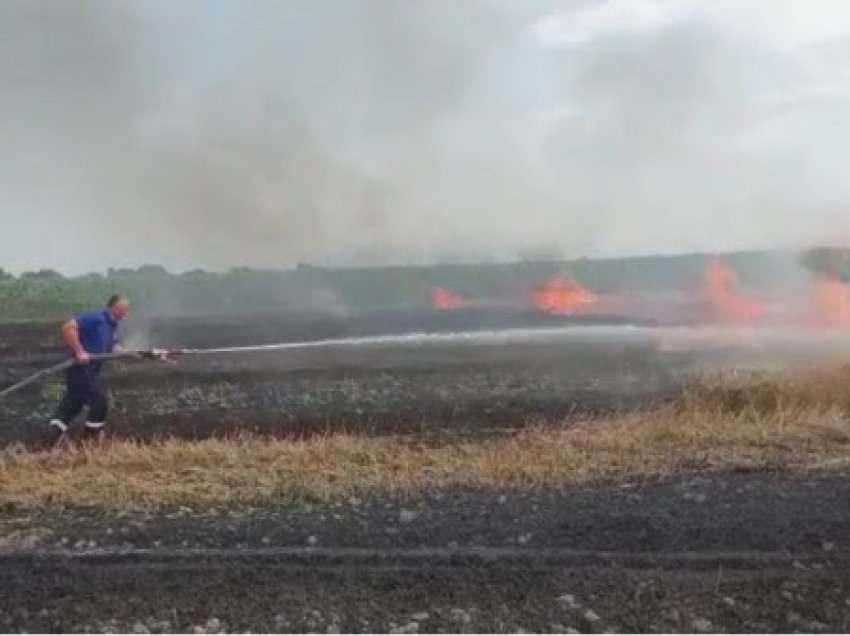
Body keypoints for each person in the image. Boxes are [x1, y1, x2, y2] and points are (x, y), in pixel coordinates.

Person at [45, 294, 133, 449]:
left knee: (73, 404)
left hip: (91, 371)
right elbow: (68, 327)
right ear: (113, 307)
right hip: (80, 369)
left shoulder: (112, 325)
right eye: (124, 309)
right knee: (99, 401)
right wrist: (79, 351)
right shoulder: (96, 318)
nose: (127, 313)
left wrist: (129, 353)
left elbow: (112, 346)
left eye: (127, 310)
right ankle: (88, 444)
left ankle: (49, 439)